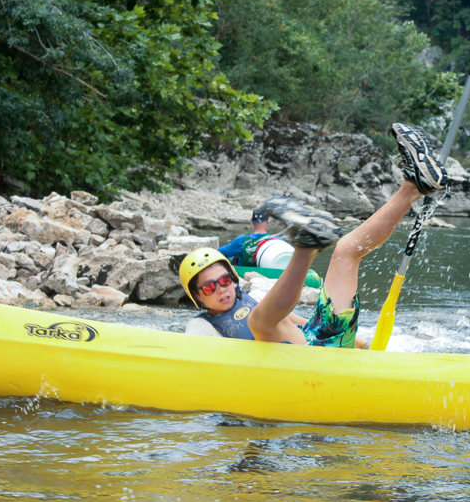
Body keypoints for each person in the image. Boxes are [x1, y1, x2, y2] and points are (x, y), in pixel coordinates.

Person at [181, 122, 447, 346]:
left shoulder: (252, 301)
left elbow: (304, 323)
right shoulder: (201, 326)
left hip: (319, 346)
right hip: (307, 361)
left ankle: (413, 186)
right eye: (209, 287)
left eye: (225, 280)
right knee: (259, 322)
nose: (222, 289)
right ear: (198, 298)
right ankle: (306, 246)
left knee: (346, 251)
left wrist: (366, 347)